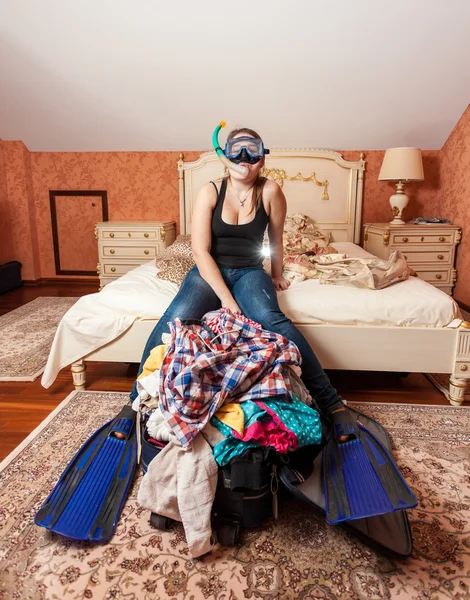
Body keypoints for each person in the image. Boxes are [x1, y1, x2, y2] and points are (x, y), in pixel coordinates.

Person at [130, 127, 345, 417]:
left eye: (253, 153)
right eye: (238, 152)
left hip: (250, 271)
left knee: (272, 319)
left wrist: (276, 274)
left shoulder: (270, 191)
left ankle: (331, 402)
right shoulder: (210, 191)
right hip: (208, 270)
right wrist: (227, 301)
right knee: (174, 317)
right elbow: (200, 251)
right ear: (226, 157)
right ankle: (132, 403)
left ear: (263, 158)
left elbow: (276, 239)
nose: (245, 160)